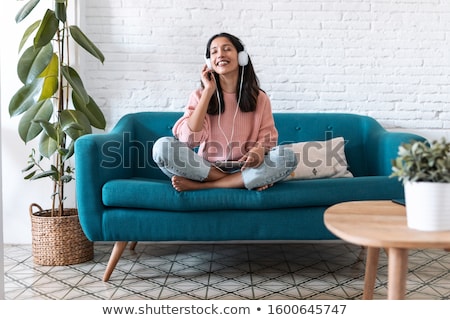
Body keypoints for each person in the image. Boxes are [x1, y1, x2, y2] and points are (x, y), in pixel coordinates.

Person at [152, 33, 297, 191]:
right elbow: (189, 140)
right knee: (162, 147)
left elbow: (267, 138)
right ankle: (239, 182)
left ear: (241, 57)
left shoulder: (259, 98)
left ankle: (206, 187)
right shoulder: (200, 96)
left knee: (287, 157)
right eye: (214, 52)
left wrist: (259, 151)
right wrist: (208, 92)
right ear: (209, 62)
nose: (220, 54)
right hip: (205, 169)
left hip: (245, 168)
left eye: (227, 49)